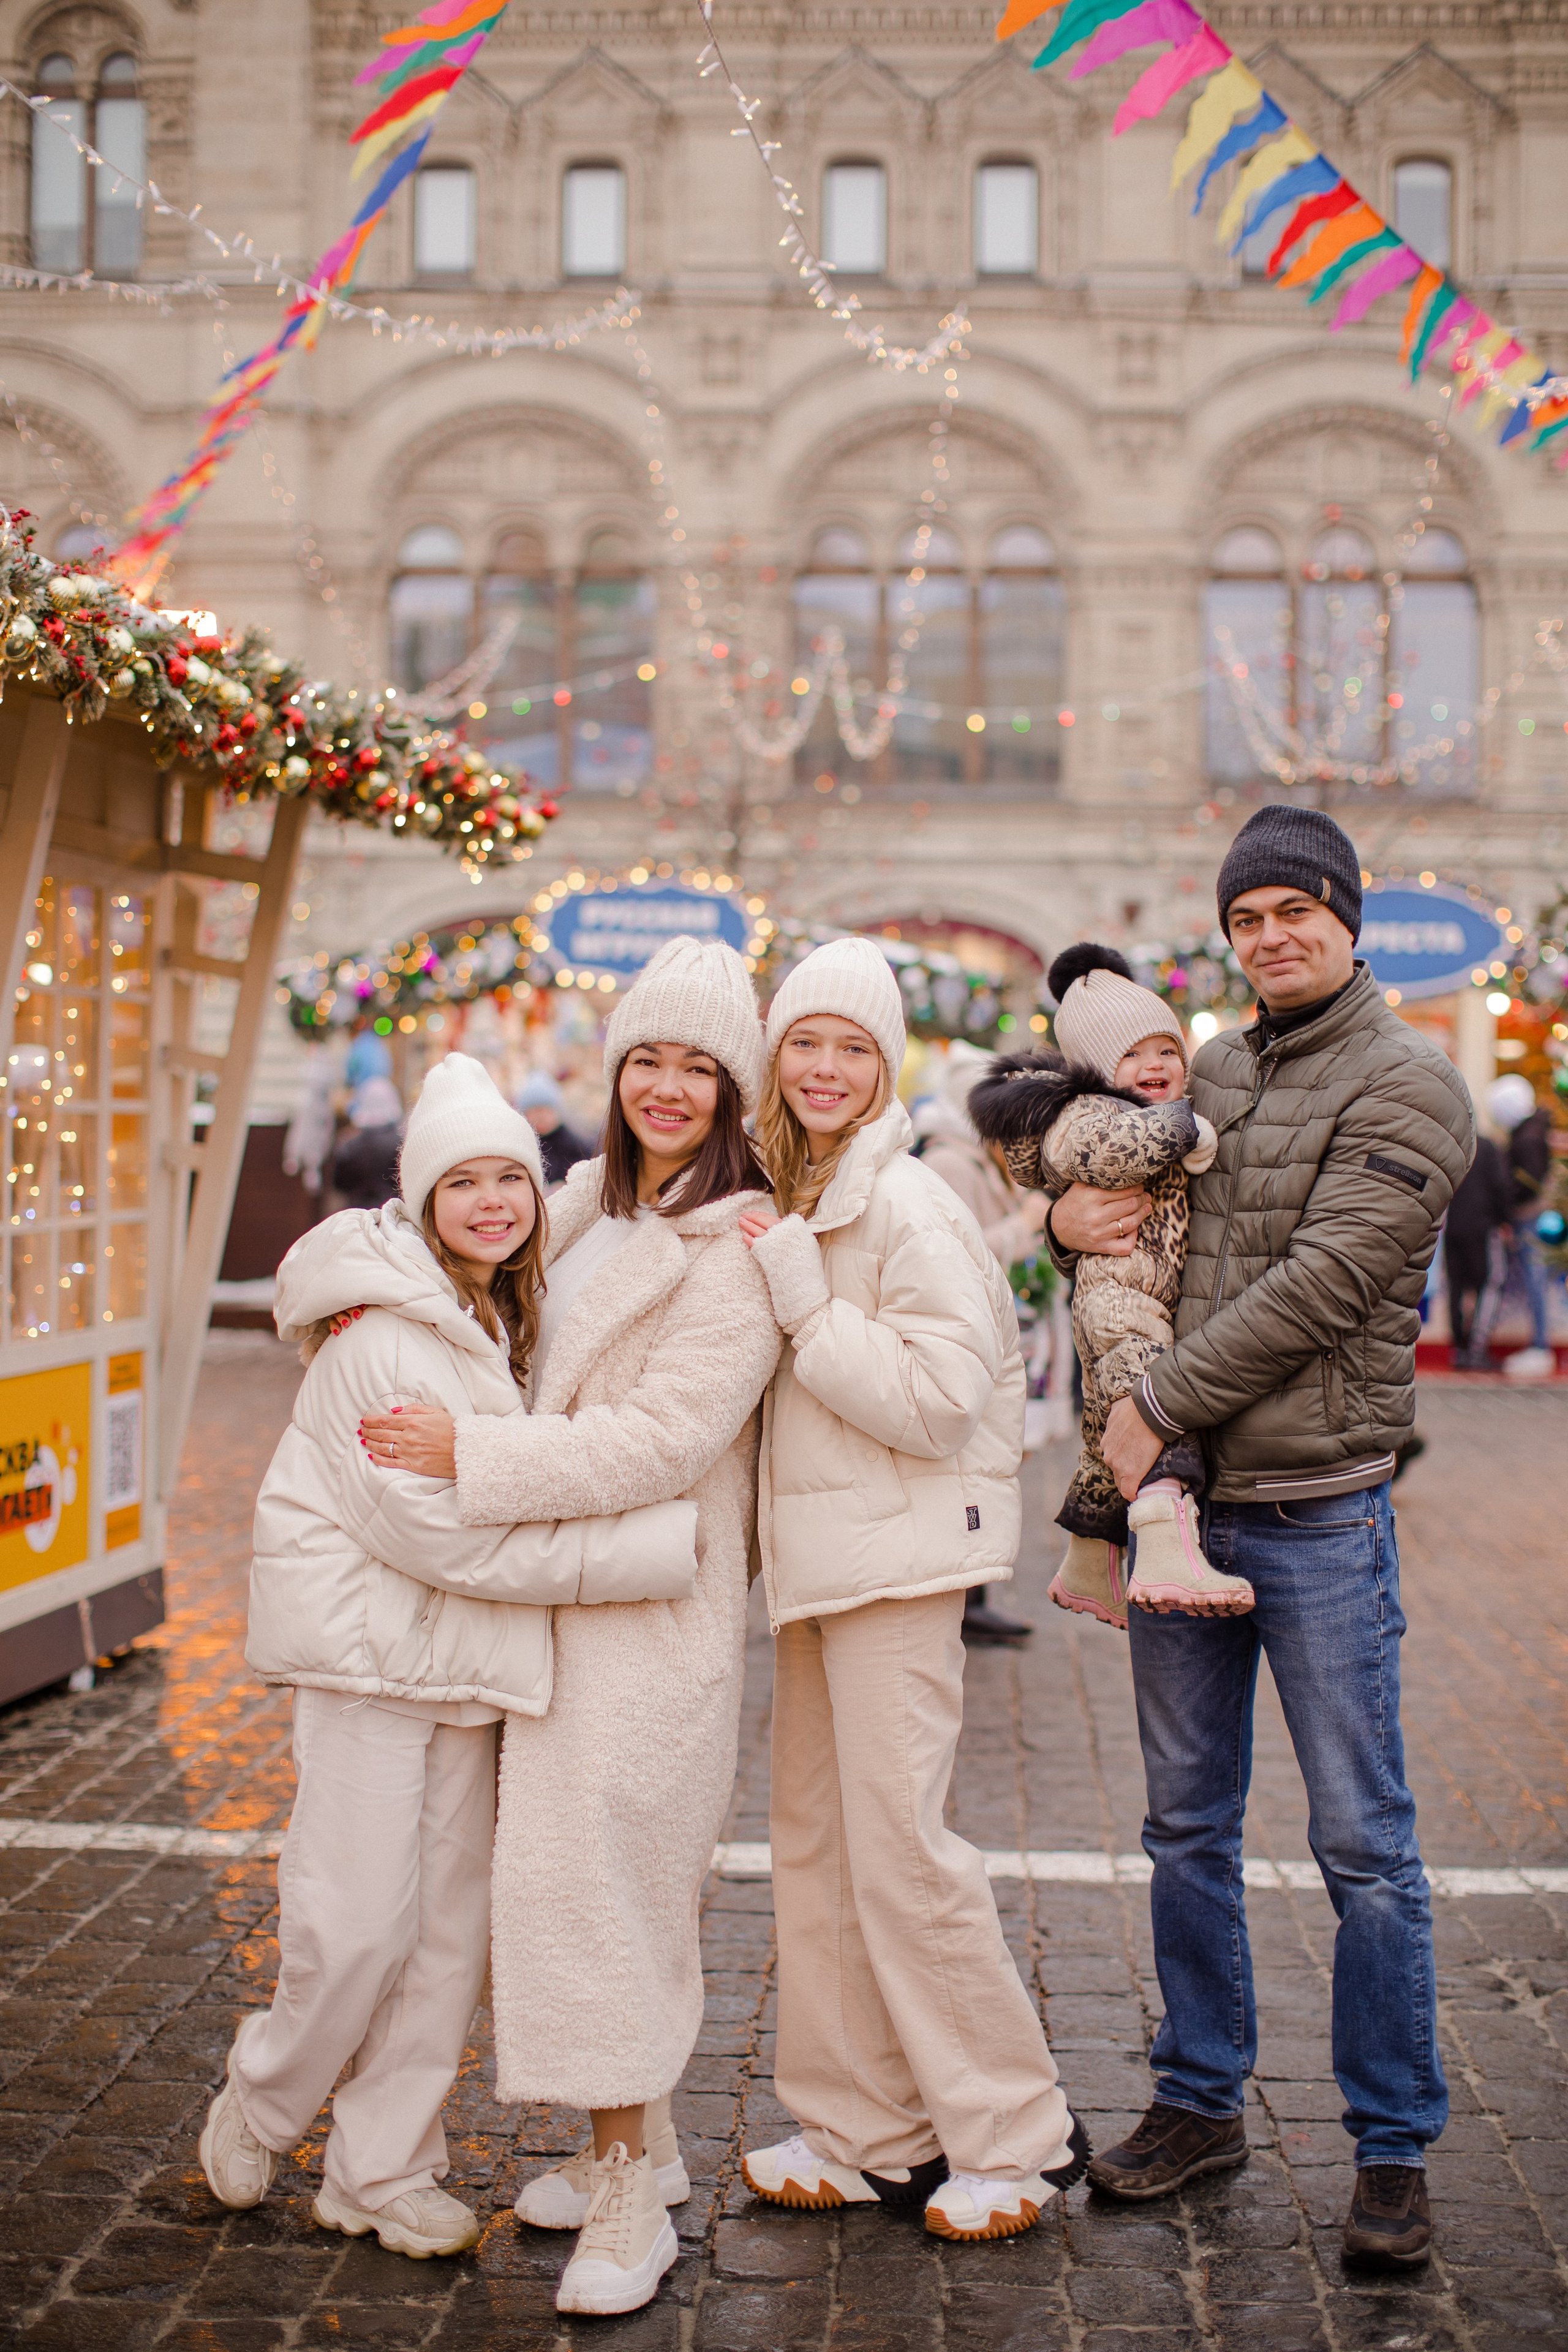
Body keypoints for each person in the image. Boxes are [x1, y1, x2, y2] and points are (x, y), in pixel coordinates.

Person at [1045, 805, 1472, 2270]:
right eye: (1246, 917)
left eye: (1295, 909)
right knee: (1182, 1827)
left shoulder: (1410, 1080)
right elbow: (1130, 1218)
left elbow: (1326, 1279)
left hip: (1315, 1509)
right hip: (1187, 1507)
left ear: (1346, 919)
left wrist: (1152, 1396)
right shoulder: (1209, 1069)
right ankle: (1197, 2095)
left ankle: (1393, 2143)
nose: (1271, 935)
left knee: (1362, 1842)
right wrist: (1071, 1224)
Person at [198, 1055, 699, 2258]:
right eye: (461, 1182)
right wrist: (638, 1552)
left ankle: (381, 2171)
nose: (491, 1201)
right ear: (419, 1201)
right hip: (376, 1670)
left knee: (439, 1945)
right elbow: (436, 1538)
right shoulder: (381, 1341)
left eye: (508, 1179)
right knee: (353, 1927)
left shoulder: (503, 1319)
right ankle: (263, 2095)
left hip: (473, 1679)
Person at [360, 937, 781, 2318]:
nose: (667, 1087)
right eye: (645, 1059)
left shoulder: (738, 1247)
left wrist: (471, 1459)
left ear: (735, 1088)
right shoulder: (581, 1204)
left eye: (697, 1066)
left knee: (607, 1888)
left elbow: (660, 1442)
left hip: (653, 1610)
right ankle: (638, 2150)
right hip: (552, 1596)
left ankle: (623, 2201)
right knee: (568, 1881)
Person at [734, 937, 1089, 2245]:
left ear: (884, 1069)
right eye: (803, 1043)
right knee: (820, 1854)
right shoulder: (801, 1183)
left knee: (903, 1858)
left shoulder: (906, 1201)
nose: (823, 1068)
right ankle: (863, 2130)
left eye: (851, 1048)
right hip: (824, 1568)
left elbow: (941, 1402)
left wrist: (802, 1312)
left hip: (895, 1566)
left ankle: (1013, 2132)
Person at [972, 943, 1250, 1629]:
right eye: (1133, 1057)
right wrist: (1186, 1127)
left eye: (1166, 1050)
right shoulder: (1086, 1118)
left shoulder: (1145, 1106)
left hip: (1145, 1296)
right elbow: (1107, 1152)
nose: (1154, 1067)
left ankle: (1088, 1566)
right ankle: (1164, 1560)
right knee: (1154, 1432)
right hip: (1123, 1302)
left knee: (1105, 1449)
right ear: (1096, 1074)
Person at [917, 1036, 1044, 1643]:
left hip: (994, 1333)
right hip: (966, 1340)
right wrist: (1024, 1226)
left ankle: (976, 1591)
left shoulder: (983, 1159)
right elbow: (959, 1259)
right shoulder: (949, 1164)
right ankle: (965, 1596)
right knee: (968, 1467)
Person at [1488, 1072, 1556, 1376]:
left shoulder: (1527, 1138)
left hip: (1528, 1218)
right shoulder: (1533, 1132)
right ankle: (1538, 1345)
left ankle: (1540, 1346)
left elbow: (1529, 1181)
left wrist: (1507, 1203)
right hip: (1530, 1217)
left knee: (1535, 1280)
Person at [1442, 1120, 1512, 1367]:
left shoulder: (1450, 1147)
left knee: (1456, 1288)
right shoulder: (1488, 1148)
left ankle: (1459, 1350)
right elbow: (1500, 1186)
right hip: (1482, 1228)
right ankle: (1476, 1349)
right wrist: (1505, 1220)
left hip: (1452, 1228)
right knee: (1490, 1284)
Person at [330, 1074, 404, 1210]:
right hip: (394, 1217)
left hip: (357, 1215)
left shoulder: (350, 1145)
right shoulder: (401, 1145)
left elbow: (339, 1184)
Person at [518, 1066, 595, 1189]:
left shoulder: (577, 1144)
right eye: (535, 1111)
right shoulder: (522, 1146)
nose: (541, 1117)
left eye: (545, 1110)